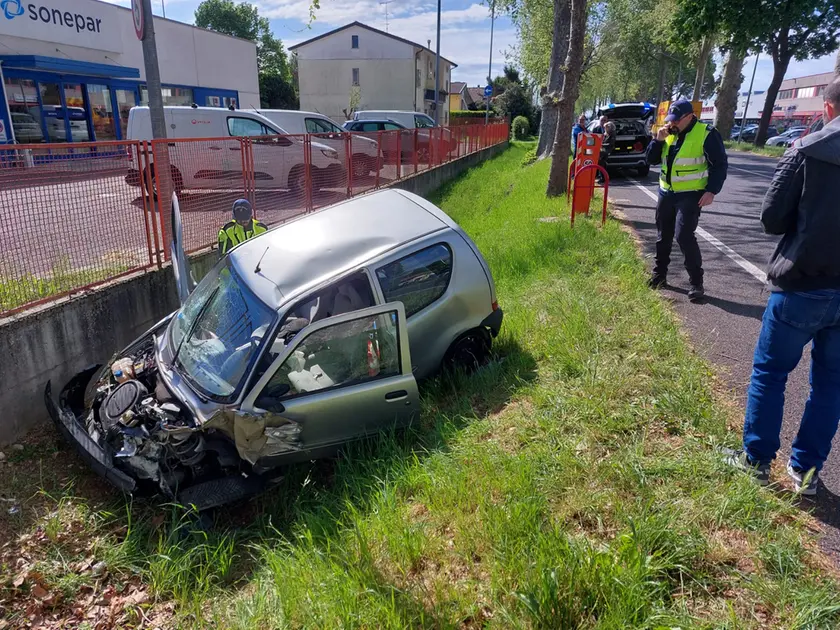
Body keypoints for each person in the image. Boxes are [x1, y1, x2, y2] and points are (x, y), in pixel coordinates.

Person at [725, 77, 840, 496]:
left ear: (826, 109)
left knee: (771, 373)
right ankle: (806, 474)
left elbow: (771, 218)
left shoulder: (806, 152)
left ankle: (756, 462)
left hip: (802, 283)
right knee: (831, 385)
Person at [646, 100, 728, 302]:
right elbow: (651, 160)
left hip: (691, 194)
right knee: (662, 235)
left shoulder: (706, 133)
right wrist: (657, 140)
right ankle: (659, 275)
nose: (672, 124)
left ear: (689, 116)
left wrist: (711, 191)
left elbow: (719, 165)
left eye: (676, 120)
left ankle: (696, 283)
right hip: (667, 192)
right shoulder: (667, 134)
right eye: (670, 120)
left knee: (683, 235)